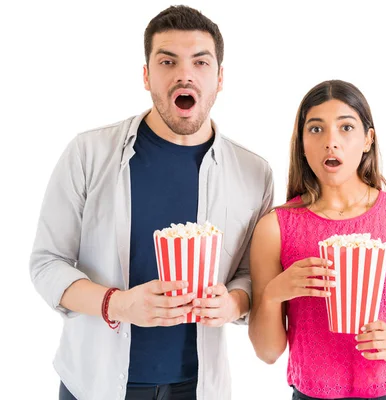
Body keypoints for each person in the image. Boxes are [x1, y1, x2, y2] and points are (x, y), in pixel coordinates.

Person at [29, 5, 273, 400]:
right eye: (167, 61)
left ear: (220, 78)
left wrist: (232, 304)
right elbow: (46, 263)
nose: (184, 73)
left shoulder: (254, 172)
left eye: (200, 61)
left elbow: (250, 274)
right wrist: (118, 304)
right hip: (95, 384)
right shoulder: (88, 153)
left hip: (199, 387)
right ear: (146, 75)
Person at [248, 80, 386, 399]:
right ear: (301, 144)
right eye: (316, 129)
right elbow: (267, 352)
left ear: (368, 139)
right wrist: (272, 295)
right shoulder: (274, 229)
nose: (331, 142)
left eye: (346, 127)